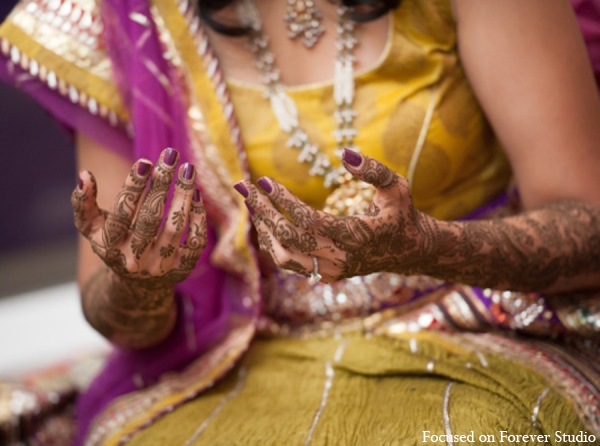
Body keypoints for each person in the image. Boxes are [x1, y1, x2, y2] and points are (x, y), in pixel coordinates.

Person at [1, 0, 599, 444]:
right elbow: (120, 321)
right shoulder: (118, 17)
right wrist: (138, 279)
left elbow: (589, 226)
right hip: (248, 352)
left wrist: (427, 246)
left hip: (486, 326)